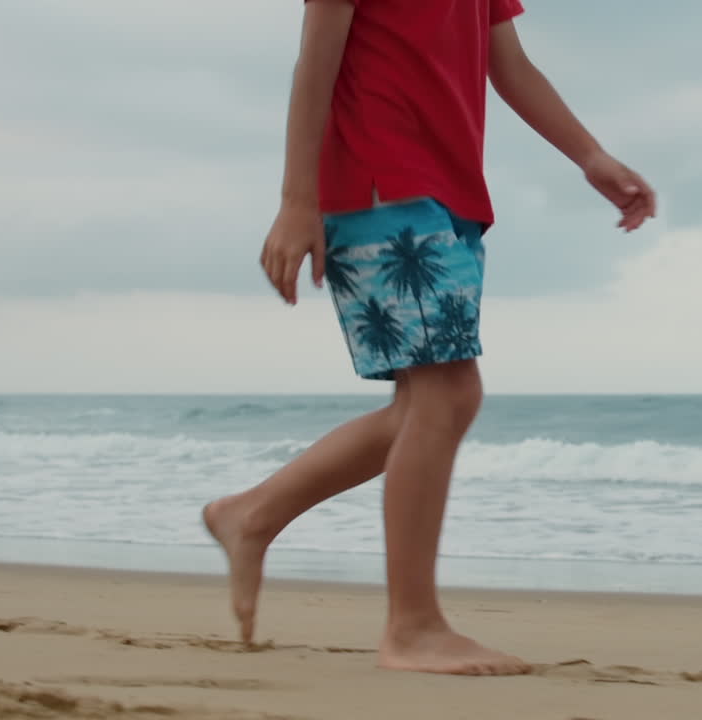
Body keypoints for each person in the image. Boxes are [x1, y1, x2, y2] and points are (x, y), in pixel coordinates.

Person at [203, 0, 656, 677]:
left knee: (438, 402)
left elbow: (511, 63)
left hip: (451, 194)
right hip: (378, 184)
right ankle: (411, 628)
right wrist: (298, 201)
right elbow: (315, 63)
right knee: (446, 392)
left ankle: (253, 514)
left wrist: (589, 155)